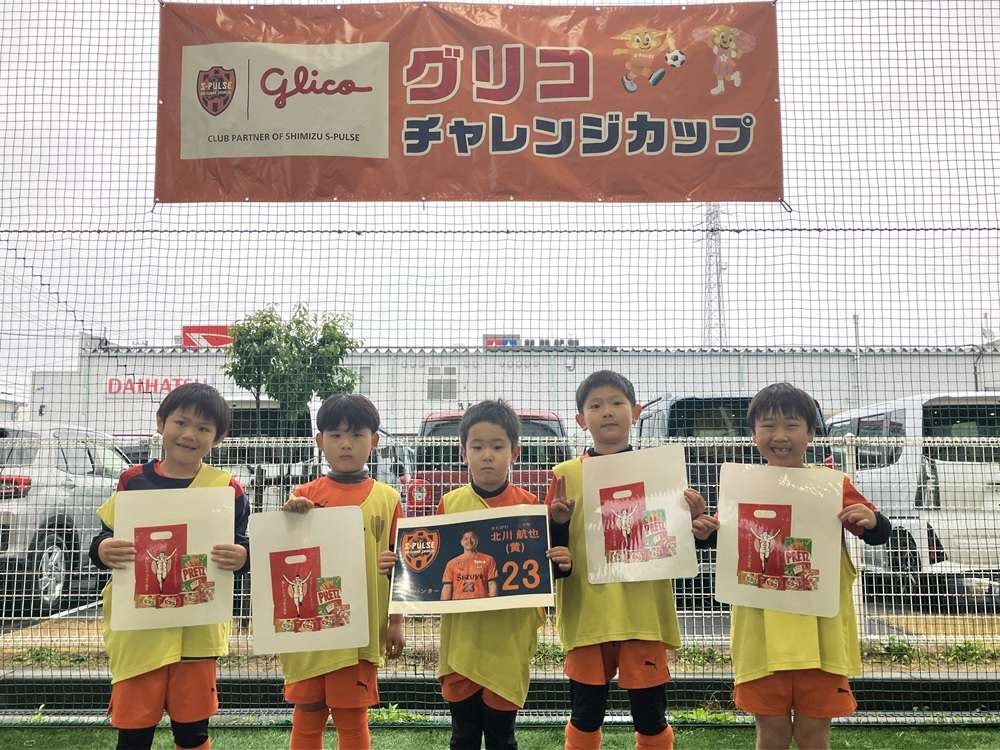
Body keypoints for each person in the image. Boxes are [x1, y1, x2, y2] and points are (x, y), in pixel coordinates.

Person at [693, 382, 892, 750]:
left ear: (811, 433)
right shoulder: (743, 487)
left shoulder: (832, 486)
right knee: (771, 732)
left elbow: (878, 532)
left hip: (821, 639)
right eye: (768, 425)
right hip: (761, 640)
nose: (780, 435)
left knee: (814, 734)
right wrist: (703, 530)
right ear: (753, 434)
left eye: (792, 425)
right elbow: (716, 535)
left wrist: (872, 520)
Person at [547, 371, 706, 750]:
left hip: (643, 614)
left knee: (650, 716)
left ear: (635, 412)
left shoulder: (659, 472)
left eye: (617, 403)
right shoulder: (565, 475)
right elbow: (552, 550)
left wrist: (696, 523)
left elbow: (677, 542)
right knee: (585, 714)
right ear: (581, 419)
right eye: (596, 405)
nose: (607, 411)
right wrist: (558, 525)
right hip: (588, 615)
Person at [88, 383, 250, 750]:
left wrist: (242, 557)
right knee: (134, 732)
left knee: (192, 732)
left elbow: (242, 544)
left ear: (218, 438)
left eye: (203, 428)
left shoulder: (227, 489)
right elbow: (105, 536)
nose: (190, 434)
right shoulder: (133, 480)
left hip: (197, 632)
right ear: (161, 422)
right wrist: (103, 549)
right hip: (140, 630)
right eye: (181, 422)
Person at [436, 400, 572, 750]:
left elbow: (544, 575)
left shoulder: (531, 507)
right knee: (463, 737)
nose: (487, 455)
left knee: (502, 737)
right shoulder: (449, 505)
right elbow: (433, 576)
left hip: (508, 639)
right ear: (463, 452)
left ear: (515, 452)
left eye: (497, 447)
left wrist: (561, 558)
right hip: (462, 639)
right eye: (477, 447)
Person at [280, 394, 404, 750]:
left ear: (374, 440)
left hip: (360, 632)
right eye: (335, 435)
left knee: (352, 716)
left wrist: (396, 621)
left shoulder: (389, 499)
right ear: (320, 441)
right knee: (307, 713)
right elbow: (285, 554)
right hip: (311, 629)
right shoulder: (302, 496)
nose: (346, 444)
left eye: (357, 434)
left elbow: (402, 569)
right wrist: (289, 517)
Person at [441, 529, 499, 600]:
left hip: (481, 602)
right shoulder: (451, 563)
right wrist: (444, 606)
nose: (469, 541)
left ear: (477, 540)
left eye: (472, 538)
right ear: (461, 542)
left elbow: (492, 584)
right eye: (466, 539)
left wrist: (493, 603)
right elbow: (447, 587)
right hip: (459, 603)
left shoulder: (488, 560)